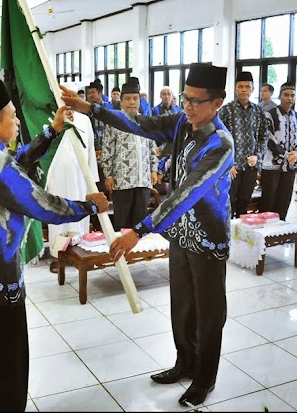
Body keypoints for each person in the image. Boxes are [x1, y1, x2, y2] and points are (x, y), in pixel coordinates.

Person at [61, 62, 233, 407]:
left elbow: (185, 194)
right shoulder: (184, 123)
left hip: (208, 239)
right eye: (185, 99)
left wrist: (139, 230)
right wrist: (90, 109)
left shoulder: (220, 144)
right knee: (182, 305)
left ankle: (204, 378)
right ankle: (184, 363)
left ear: (218, 102)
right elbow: (140, 123)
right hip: (182, 236)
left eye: (197, 101)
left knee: (209, 312)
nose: (188, 106)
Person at [0, 80, 109, 412]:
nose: (18, 121)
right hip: (0, 283)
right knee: (8, 369)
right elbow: (44, 206)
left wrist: (51, 132)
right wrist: (89, 206)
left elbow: (15, 163)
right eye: (12, 116)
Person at [100, 77, 158, 230]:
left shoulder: (145, 121)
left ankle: (137, 252)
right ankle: (121, 254)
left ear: (139, 100)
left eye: (135, 98)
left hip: (143, 179)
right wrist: (108, 175)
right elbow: (107, 150)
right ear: (121, 101)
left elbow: (152, 147)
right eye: (128, 99)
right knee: (122, 221)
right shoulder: (115, 121)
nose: (132, 102)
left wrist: (154, 169)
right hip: (122, 179)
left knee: (139, 222)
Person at [46, 104, 98, 272]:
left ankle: (80, 253)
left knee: (79, 216)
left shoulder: (84, 120)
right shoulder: (53, 120)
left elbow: (90, 149)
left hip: (79, 178)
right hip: (57, 178)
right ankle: (58, 256)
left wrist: (92, 181)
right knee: (59, 214)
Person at [218, 71, 267, 218]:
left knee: (245, 200)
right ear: (235, 89)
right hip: (232, 168)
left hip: (250, 167)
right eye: (240, 86)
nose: (244, 89)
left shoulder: (258, 111)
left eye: (247, 86)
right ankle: (228, 234)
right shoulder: (226, 110)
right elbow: (218, 138)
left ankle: (241, 233)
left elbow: (263, 137)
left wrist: (257, 156)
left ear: (252, 89)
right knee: (229, 200)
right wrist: (227, 164)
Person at [259, 82, 297, 221]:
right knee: (269, 199)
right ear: (279, 96)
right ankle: (263, 234)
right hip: (272, 165)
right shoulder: (269, 115)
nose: (289, 98)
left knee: (285, 198)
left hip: (290, 165)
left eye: (292, 95)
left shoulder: (296, 116)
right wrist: (286, 154)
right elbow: (269, 139)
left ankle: (279, 231)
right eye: (286, 95)